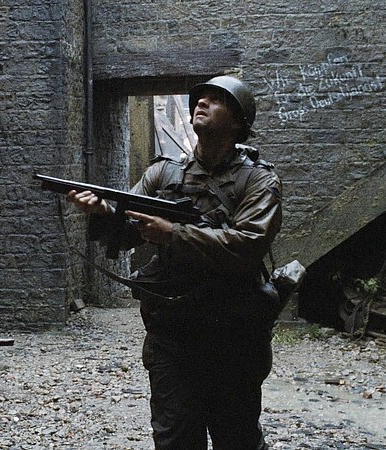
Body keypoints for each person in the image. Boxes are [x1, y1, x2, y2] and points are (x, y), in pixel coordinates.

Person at [67, 75, 282, 449]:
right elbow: (128, 229)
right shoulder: (164, 173)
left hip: (234, 332)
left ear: (238, 122)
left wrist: (173, 233)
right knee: (174, 438)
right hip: (172, 332)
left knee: (237, 438)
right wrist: (104, 212)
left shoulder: (259, 182)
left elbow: (247, 245)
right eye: (201, 97)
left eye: (217, 99)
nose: (202, 103)